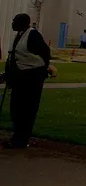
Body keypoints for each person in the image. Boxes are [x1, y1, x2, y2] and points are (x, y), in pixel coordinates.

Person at [2, 13, 53, 150]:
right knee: (16, 109)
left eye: (15, 21)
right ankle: (17, 137)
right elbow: (14, 57)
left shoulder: (32, 35)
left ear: (22, 23)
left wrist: (42, 68)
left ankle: (21, 140)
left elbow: (45, 53)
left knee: (26, 110)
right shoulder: (19, 35)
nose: (12, 23)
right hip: (20, 77)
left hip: (31, 79)